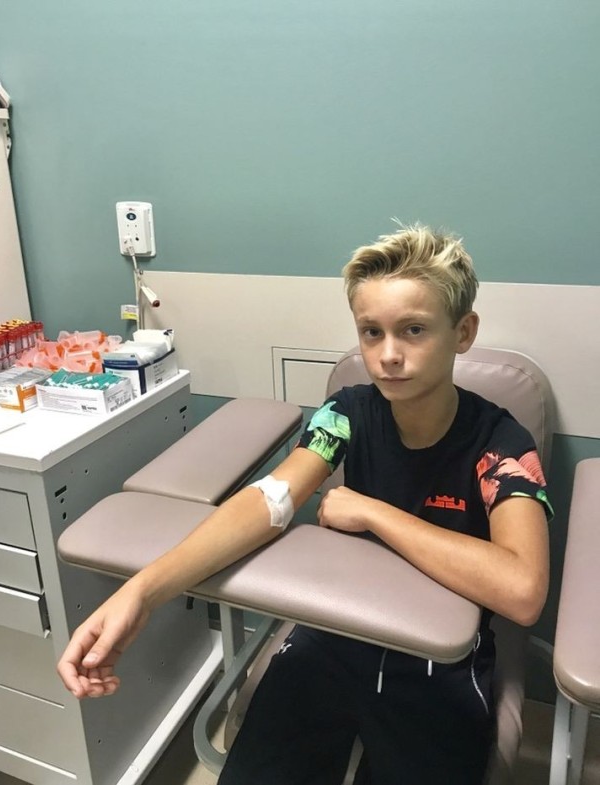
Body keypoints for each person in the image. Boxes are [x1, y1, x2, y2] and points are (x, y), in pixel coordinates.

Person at [58, 223, 552, 785]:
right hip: (337, 631)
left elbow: (523, 591)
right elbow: (271, 500)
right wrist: (143, 592)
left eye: (414, 330)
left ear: (463, 332)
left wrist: (372, 512)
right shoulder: (347, 412)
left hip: (439, 662)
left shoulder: (500, 444)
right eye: (371, 332)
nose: (388, 355)